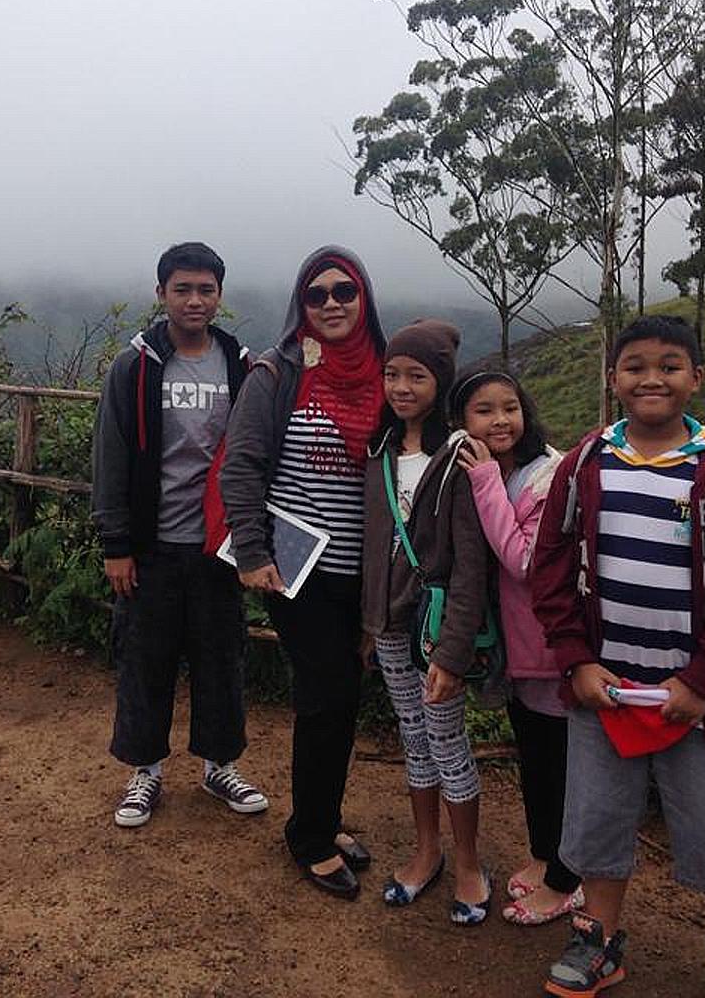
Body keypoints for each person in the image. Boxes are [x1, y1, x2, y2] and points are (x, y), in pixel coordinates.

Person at [530, 315, 705, 998]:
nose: (652, 378)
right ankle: (598, 943)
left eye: (670, 365)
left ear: (696, 378)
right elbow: (551, 566)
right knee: (596, 817)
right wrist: (577, 660)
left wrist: (704, 679)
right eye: (635, 365)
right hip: (603, 686)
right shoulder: (587, 463)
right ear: (613, 378)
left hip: (695, 696)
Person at [220, 246, 385, 898]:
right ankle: (309, 836)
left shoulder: (384, 372)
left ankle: (324, 818)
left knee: (342, 699)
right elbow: (241, 465)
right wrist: (254, 553)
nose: (332, 304)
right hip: (296, 570)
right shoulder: (279, 371)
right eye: (317, 295)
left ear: (363, 296)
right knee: (327, 697)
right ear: (301, 304)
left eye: (344, 291)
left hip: (365, 571)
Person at [92, 241, 267, 829]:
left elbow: (258, 457)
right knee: (145, 659)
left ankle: (220, 765)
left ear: (220, 295)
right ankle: (144, 771)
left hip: (220, 547)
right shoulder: (134, 366)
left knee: (222, 658)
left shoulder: (241, 366)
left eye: (206, 289)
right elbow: (111, 456)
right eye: (182, 289)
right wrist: (116, 544)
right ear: (161, 293)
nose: (195, 300)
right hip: (152, 546)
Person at [361, 321, 493, 924]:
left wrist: (454, 651)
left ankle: (468, 861)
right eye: (392, 374)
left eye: (416, 375)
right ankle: (425, 850)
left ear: (440, 381)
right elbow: (372, 542)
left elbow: (471, 565)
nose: (401, 387)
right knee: (412, 736)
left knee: (446, 739)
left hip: (437, 629)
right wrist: (368, 621)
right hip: (389, 623)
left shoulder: (459, 456)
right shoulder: (380, 449)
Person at [450, 367, 581, 926]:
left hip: (551, 646)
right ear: (462, 422)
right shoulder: (491, 468)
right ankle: (544, 852)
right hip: (517, 648)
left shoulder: (544, 478)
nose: (500, 420)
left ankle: (567, 878)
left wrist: (482, 481)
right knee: (535, 754)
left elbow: (525, 561)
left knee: (558, 760)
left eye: (509, 407)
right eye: (484, 410)